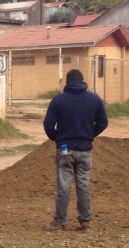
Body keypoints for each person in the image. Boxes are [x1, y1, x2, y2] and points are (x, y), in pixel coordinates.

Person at [42, 68, 108, 232]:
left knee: (64, 185)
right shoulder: (94, 99)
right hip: (85, 149)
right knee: (83, 184)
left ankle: (60, 221)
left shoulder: (58, 101)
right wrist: (90, 134)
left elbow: (48, 125)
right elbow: (103, 122)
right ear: (83, 81)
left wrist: (57, 138)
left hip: (65, 149)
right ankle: (85, 221)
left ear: (67, 82)